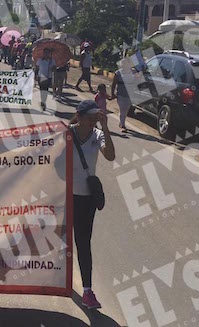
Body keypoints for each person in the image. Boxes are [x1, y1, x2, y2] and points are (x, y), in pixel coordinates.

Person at [69, 100, 115, 310]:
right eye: (91, 117)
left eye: (96, 117)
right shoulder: (66, 133)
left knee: (83, 243)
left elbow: (110, 155)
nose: (94, 120)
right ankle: (57, 279)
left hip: (86, 200)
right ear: (79, 117)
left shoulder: (97, 135)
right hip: (64, 197)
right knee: (58, 240)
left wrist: (105, 127)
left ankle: (87, 291)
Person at [111, 65, 132, 132]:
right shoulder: (118, 73)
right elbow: (114, 84)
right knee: (122, 109)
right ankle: (122, 124)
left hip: (129, 94)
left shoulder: (132, 72)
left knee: (126, 110)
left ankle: (122, 122)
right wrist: (112, 93)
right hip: (120, 94)